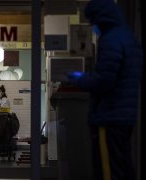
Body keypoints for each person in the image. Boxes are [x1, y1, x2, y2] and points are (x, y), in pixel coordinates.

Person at [67, 0, 143, 179]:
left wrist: (79, 79)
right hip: (125, 116)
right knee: (122, 166)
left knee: (108, 170)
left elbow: (104, 81)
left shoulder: (111, 40)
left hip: (109, 116)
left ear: (101, 19)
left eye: (93, 21)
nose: (93, 26)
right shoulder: (129, 37)